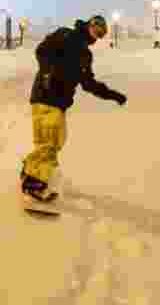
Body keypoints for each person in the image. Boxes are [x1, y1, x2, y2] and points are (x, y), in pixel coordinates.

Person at [20, 15, 127, 203]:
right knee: (49, 142)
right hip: (45, 96)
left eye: (101, 34)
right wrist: (47, 72)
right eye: (97, 30)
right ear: (89, 25)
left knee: (56, 141)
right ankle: (33, 182)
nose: (97, 36)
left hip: (60, 103)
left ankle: (30, 170)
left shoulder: (85, 55)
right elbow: (42, 50)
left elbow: (89, 84)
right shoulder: (65, 35)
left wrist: (113, 95)